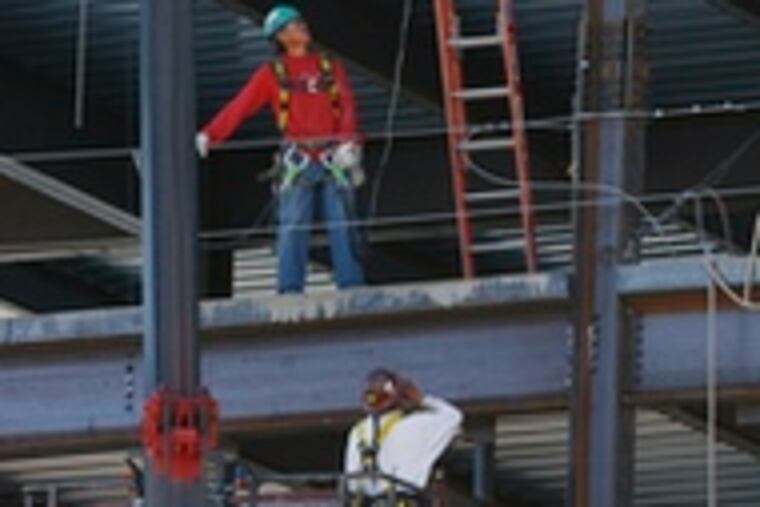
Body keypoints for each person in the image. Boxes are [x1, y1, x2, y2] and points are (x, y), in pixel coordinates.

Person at [197, 4, 365, 294]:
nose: (302, 27)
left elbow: (347, 105)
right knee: (292, 228)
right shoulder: (272, 74)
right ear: (281, 36)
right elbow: (241, 105)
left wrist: (349, 140)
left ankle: (350, 285)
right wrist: (212, 134)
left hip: (332, 155)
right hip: (298, 159)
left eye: (301, 22)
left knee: (342, 224)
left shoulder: (329, 66)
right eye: (295, 25)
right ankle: (290, 291)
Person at [343, 369, 463, 505]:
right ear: (402, 397)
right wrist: (421, 399)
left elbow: (351, 484)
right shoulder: (418, 425)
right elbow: (454, 417)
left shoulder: (356, 433)